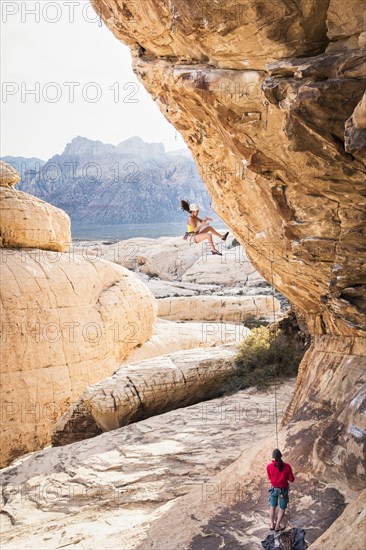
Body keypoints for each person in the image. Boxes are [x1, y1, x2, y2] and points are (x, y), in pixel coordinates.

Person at [266, 449, 294, 532]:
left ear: (273, 457)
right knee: (282, 508)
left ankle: (272, 525)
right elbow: (291, 479)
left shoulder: (269, 466)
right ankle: (277, 526)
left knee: (272, 507)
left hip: (273, 489)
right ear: (281, 456)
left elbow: (270, 478)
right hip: (283, 490)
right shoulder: (287, 466)